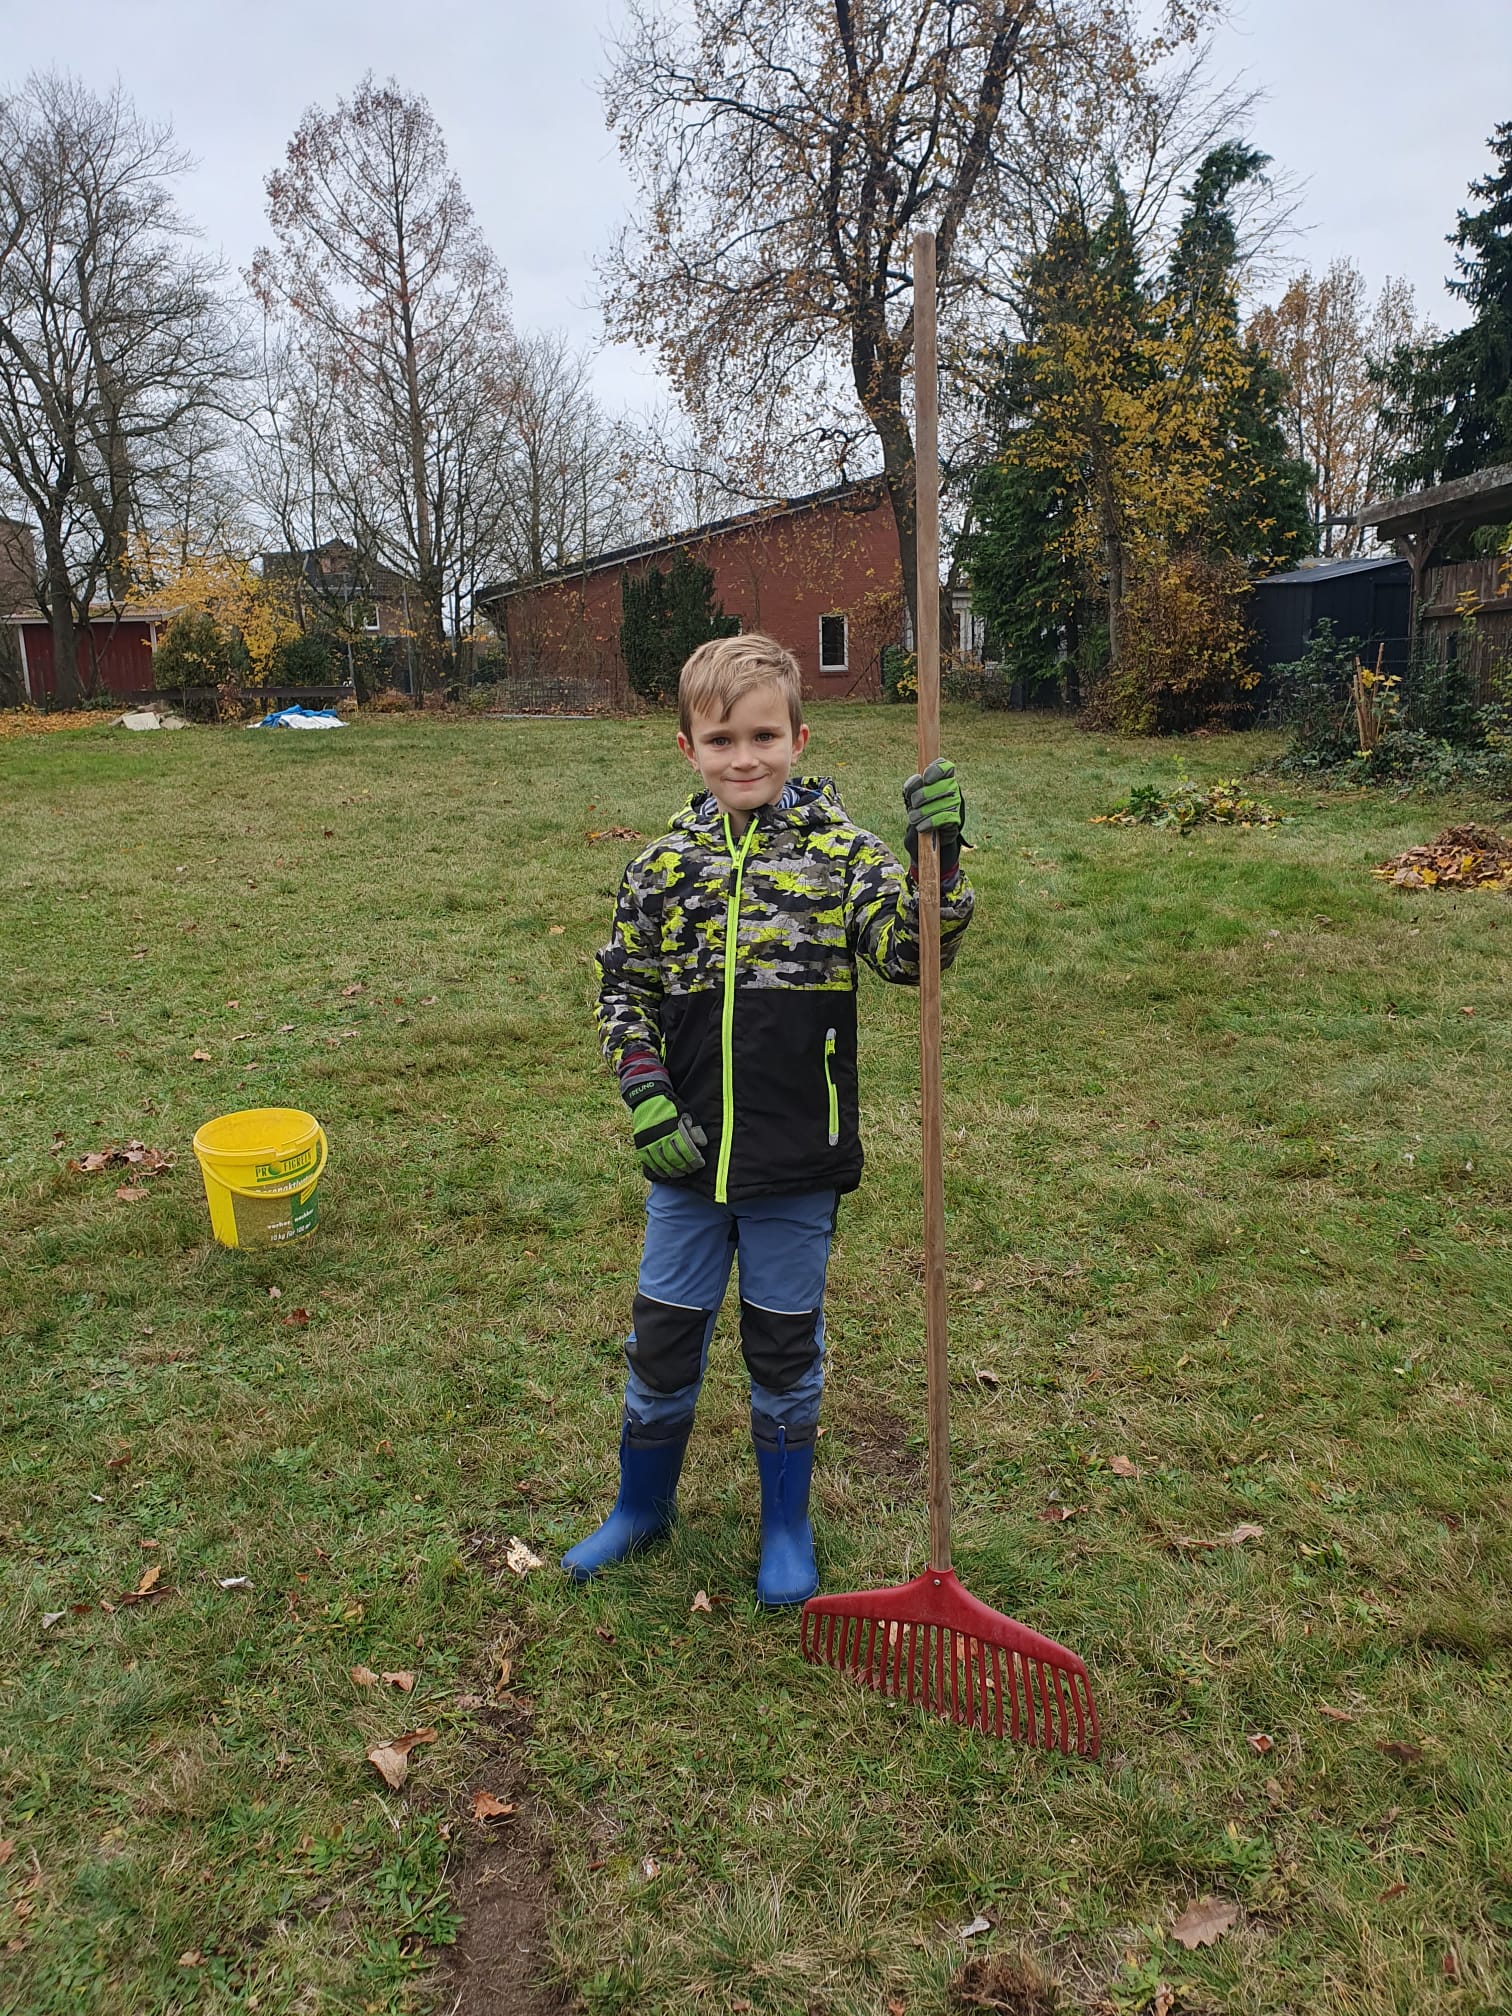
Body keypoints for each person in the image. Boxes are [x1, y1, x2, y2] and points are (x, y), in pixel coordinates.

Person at [562, 632, 972, 1605]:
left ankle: (785, 1527)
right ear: (688, 749)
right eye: (720, 740)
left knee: (783, 1347)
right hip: (688, 1164)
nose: (742, 758)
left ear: (797, 735)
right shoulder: (664, 868)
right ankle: (639, 1508)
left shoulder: (843, 856)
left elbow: (912, 955)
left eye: (762, 736)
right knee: (662, 1340)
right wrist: (646, 1093)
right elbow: (624, 987)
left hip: (797, 1162)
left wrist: (939, 861)